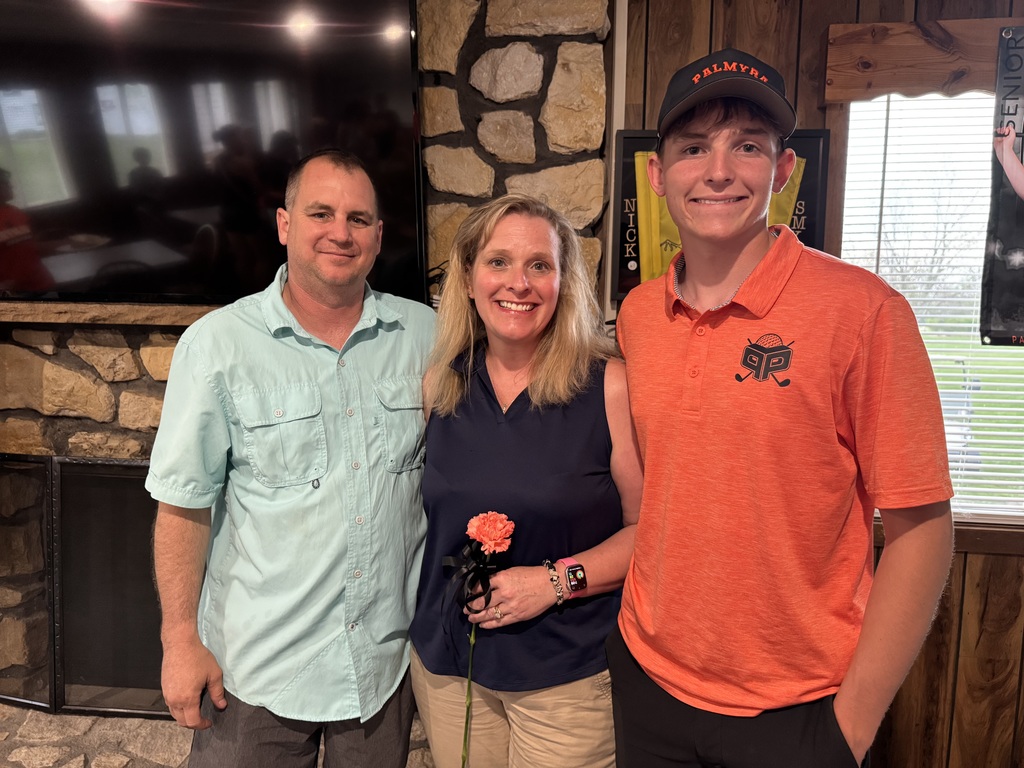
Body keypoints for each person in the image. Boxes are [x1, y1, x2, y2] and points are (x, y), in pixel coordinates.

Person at [608, 48, 954, 768]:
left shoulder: (865, 313)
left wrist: (851, 725)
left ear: (783, 170)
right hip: (648, 681)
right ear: (657, 173)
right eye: (694, 148)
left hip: (796, 712)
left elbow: (922, 527)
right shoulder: (639, 315)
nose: (718, 171)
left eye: (748, 147)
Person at [147, 148, 436, 768]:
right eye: (321, 213)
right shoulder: (217, 345)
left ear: (379, 237)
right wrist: (179, 640)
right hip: (256, 672)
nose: (340, 232)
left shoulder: (426, 338)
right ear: (284, 225)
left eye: (359, 219)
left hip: (380, 667)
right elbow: (183, 506)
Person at [408, 193, 643, 768]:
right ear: (467, 279)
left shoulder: (609, 386)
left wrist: (554, 582)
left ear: (564, 282)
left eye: (540, 265)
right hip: (450, 672)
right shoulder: (440, 385)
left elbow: (651, 531)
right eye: (498, 262)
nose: (519, 283)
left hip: (567, 679)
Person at [0, 167, 54, 292]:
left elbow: (32, 246)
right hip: (12, 290)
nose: (11, 187)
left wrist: (67, 243)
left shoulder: (17, 213)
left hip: (42, 283)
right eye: (5, 184)